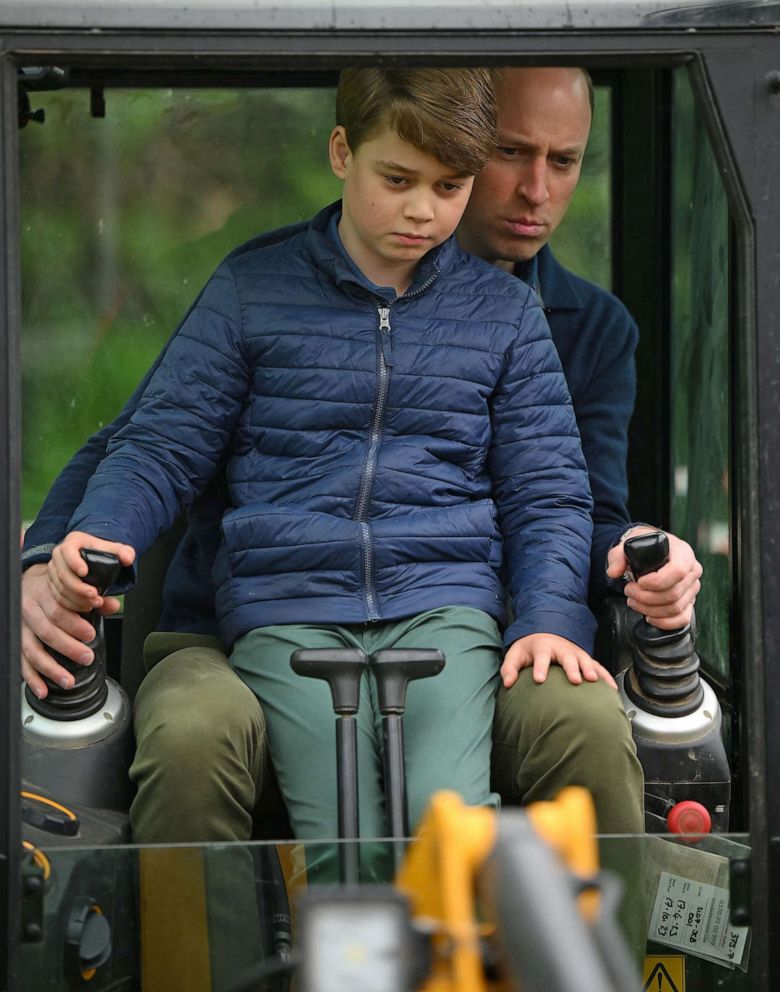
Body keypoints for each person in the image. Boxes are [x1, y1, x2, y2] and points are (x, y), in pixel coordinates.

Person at [20, 67, 700, 847]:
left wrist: (555, 611)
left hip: (453, 607)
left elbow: (556, 494)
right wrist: (66, 547)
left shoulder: (522, 319)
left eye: (448, 185)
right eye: (401, 179)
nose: (423, 209)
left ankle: (549, 961)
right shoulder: (255, 288)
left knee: (464, 809)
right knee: (326, 822)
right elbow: (151, 441)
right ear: (343, 152)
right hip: (282, 602)